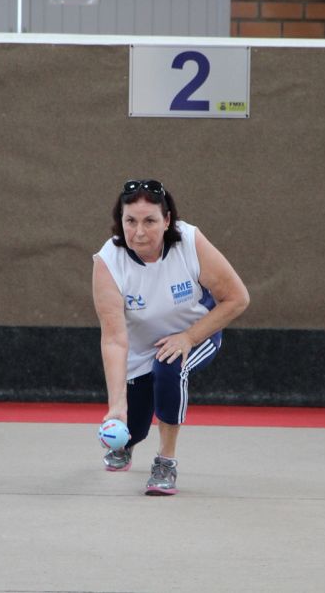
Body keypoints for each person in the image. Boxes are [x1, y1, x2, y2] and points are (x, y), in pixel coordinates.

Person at [92, 179, 249, 494]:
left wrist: (189, 337)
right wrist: (116, 406)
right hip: (139, 346)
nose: (139, 232)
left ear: (166, 221)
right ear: (119, 222)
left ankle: (166, 461)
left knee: (169, 366)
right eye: (130, 221)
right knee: (132, 427)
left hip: (197, 331)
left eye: (149, 221)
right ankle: (129, 442)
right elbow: (114, 339)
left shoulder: (189, 242)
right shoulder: (107, 262)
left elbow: (237, 298)